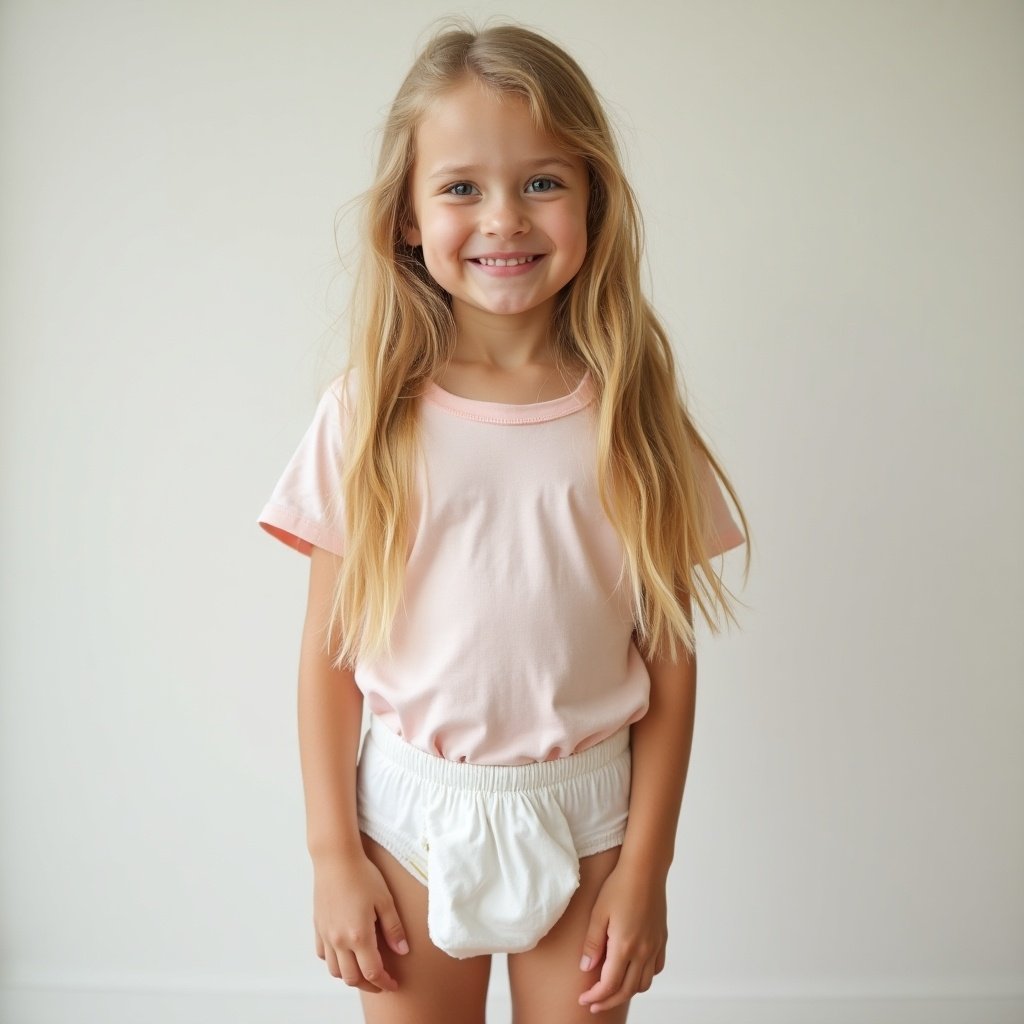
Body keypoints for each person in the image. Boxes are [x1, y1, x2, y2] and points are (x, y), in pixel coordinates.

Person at [258, 18, 751, 1024]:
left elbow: (669, 656)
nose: (503, 219)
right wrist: (331, 855)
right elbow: (325, 656)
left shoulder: (631, 407)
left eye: (541, 181)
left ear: (593, 201)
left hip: (587, 818)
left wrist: (645, 869)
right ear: (406, 216)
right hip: (406, 820)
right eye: (461, 188)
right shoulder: (368, 413)